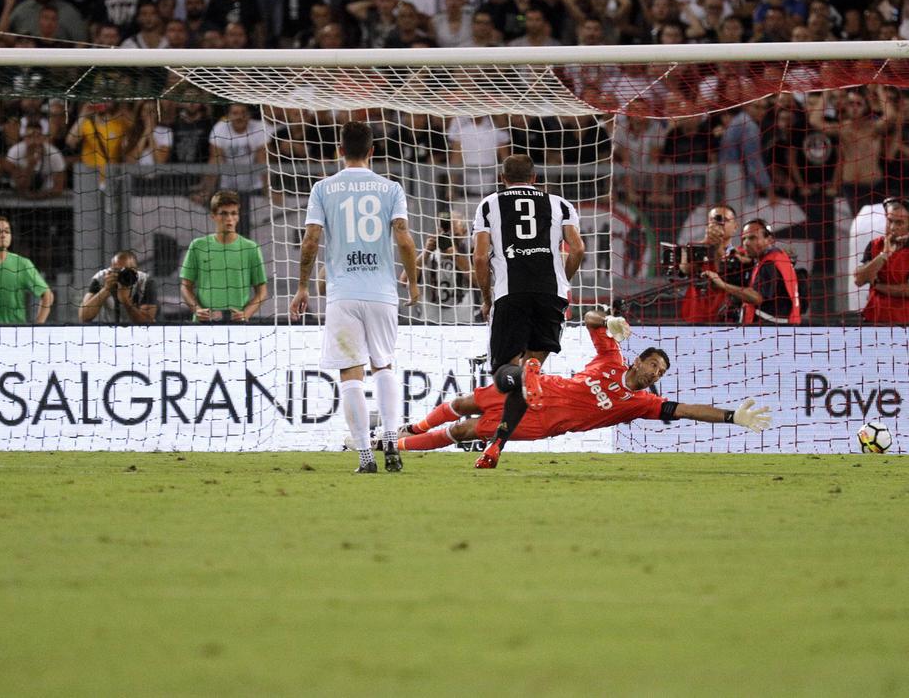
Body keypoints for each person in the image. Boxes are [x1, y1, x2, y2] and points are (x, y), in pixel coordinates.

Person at [384, 310, 772, 455]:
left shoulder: (642, 404)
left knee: (465, 429)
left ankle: (396, 445)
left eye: (661, 372)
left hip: (543, 423)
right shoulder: (610, 357)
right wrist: (611, 320)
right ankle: (412, 427)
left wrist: (731, 416)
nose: (655, 373)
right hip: (539, 386)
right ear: (638, 359)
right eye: (653, 364)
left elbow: (684, 410)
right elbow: (589, 318)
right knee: (467, 400)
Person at [289, 121, 419, 474]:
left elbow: (311, 240)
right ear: (373, 150)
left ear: (340, 150)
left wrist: (303, 285)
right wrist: (413, 282)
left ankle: (365, 456)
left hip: (343, 293)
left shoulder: (323, 188)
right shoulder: (390, 188)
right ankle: (391, 438)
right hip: (381, 292)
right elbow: (404, 239)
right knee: (384, 365)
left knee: (351, 374)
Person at [471, 153, 586, 468]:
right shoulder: (560, 204)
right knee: (529, 374)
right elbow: (577, 249)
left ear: (502, 177)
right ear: (535, 178)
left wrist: (486, 297)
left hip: (511, 292)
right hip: (551, 294)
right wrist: (563, 280)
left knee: (503, 375)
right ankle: (495, 446)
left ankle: (523, 378)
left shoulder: (489, 205)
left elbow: (480, 258)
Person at [180, 190, 268, 323]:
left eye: (233, 213)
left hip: (237, 325)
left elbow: (262, 292)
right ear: (213, 216)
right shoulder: (198, 246)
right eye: (224, 213)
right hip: (203, 324)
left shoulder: (251, 248)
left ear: (238, 216)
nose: (229, 218)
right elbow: (185, 286)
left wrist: (246, 314)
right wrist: (196, 309)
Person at [702, 219, 801, 325]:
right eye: (744, 239)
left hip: (772, 330)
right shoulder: (774, 257)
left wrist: (723, 285)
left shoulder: (769, 263)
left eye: (752, 238)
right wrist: (719, 247)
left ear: (769, 240)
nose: (746, 243)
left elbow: (757, 297)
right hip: (783, 326)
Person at [678, 204, 747, 323]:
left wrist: (717, 247)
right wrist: (706, 242)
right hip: (695, 319)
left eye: (724, 220)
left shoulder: (741, 254)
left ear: (735, 227)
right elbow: (685, 269)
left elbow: (725, 269)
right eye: (713, 220)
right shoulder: (693, 248)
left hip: (727, 320)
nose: (719, 224)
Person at [854, 198, 909, 323]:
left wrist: (877, 285)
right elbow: (859, 279)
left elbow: (907, 290)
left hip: (905, 320)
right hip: (874, 318)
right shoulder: (875, 245)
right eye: (890, 221)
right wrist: (884, 255)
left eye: (899, 223)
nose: (892, 227)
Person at [79, 249, 158, 324]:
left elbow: (147, 323)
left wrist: (125, 300)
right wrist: (106, 289)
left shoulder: (146, 281)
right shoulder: (101, 278)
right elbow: (84, 317)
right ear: (111, 269)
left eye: (127, 271)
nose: (122, 275)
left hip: (137, 330)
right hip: (109, 328)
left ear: (136, 271)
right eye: (117, 271)